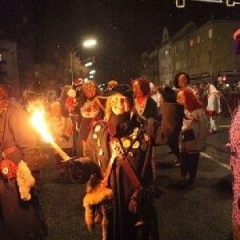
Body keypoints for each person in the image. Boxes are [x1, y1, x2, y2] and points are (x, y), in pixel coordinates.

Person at [73, 84, 160, 240]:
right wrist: (79, 166)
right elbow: (92, 158)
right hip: (111, 195)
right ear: (109, 104)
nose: (119, 104)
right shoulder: (99, 130)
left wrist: (171, 103)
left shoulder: (143, 128)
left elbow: (167, 134)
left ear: (131, 104)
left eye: (124, 100)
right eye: (114, 100)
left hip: (134, 195)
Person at [0, 80, 47, 239]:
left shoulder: (15, 113)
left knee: (22, 226)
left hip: (14, 181)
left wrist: (30, 178)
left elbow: (30, 148)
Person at [176, 88, 208, 188]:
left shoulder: (198, 111)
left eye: (181, 97)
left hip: (194, 140)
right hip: (183, 138)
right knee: (183, 158)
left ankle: (192, 177)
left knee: (193, 159)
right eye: (178, 97)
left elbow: (203, 126)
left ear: (188, 98)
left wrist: (201, 141)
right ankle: (183, 176)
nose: (178, 99)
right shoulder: (180, 109)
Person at [47, 101, 74, 179]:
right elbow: (49, 129)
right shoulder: (50, 120)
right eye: (53, 108)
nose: (55, 109)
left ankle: (69, 172)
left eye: (57, 107)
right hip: (56, 143)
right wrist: (52, 137)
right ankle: (61, 173)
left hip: (66, 143)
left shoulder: (66, 118)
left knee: (66, 157)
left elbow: (69, 128)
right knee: (58, 158)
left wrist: (63, 137)